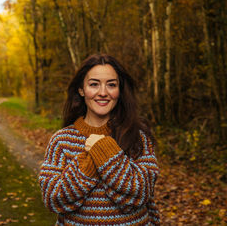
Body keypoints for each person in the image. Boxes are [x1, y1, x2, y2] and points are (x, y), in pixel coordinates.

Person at [39, 54, 160, 225]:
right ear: (81, 89)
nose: (103, 93)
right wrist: (88, 164)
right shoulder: (61, 140)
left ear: (119, 90)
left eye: (111, 85)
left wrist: (104, 150)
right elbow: (53, 199)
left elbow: (141, 193)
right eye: (94, 84)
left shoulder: (137, 136)